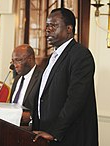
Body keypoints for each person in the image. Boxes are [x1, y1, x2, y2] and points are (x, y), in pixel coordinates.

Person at [32, 8, 98, 146]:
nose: (48, 30)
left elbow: (76, 99)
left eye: (53, 25)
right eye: (47, 26)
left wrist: (54, 132)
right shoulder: (52, 57)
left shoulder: (80, 55)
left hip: (68, 136)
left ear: (69, 29)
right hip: (45, 132)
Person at [10, 44, 42, 125]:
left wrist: (30, 116)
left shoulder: (42, 76)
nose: (15, 65)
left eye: (19, 60)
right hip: (13, 123)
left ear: (30, 59)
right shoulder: (17, 79)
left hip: (31, 126)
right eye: (13, 61)